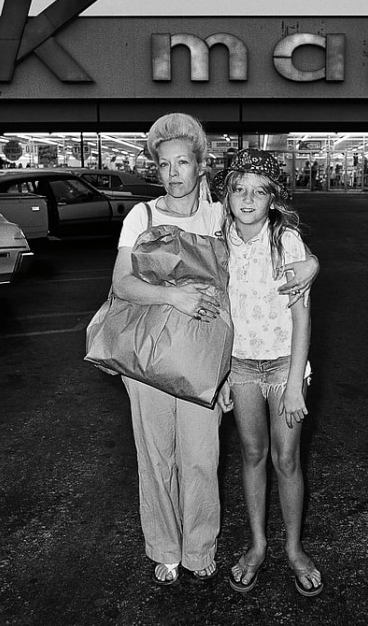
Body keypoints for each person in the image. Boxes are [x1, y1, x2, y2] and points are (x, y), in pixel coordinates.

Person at [111, 114, 319, 587]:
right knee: (156, 455)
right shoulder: (140, 217)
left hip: (208, 360)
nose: (174, 172)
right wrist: (173, 296)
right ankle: (164, 548)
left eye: (184, 162)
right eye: (165, 165)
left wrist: (313, 262)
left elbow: (274, 232)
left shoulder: (216, 216)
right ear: (156, 169)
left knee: (204, 457)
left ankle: (201, 547)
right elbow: (121, 283)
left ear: (201, 167)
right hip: (150, 357)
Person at [215, 148, 324, 597]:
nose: (247, 200)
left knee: (286, 458)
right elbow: (218, 313)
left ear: (273, 199)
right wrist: (221, 373)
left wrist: (295, 382)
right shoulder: (219, 239)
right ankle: (258, 544)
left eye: (258, 192)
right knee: (252, 455)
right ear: (226, 195)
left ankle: (294, 548)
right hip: (240, 365)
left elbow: (303, 317)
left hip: (283, 364)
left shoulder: (287, 241)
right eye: (239, 190)